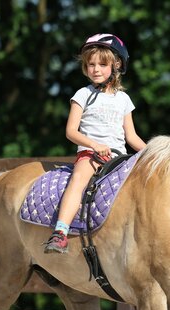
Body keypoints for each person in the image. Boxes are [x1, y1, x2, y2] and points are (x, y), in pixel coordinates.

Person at [43, 33, 146, 254]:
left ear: (116, 65)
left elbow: (131, 137)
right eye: (91, 64)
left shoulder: (124, 99)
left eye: (102, 64)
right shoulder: (82, 94)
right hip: (91, 155)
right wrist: (93, 145)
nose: (95, 69)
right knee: (79, 179)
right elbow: (71, 131)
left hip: (121, 158)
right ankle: (60, 232)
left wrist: (152, 152)